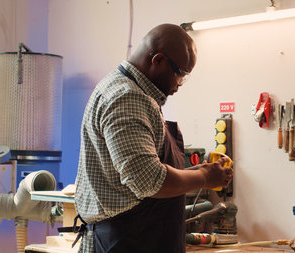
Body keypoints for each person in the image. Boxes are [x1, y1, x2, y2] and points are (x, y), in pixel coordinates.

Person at [74, 23, 233, 253]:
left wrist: (200, 173)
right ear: (157, 60)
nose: (179, 85)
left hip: (137, 238)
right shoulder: (128, 98)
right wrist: (203, 178)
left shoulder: (133, 93)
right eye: (180, 74)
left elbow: (142, 174)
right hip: (126, 242)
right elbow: (147, 181)